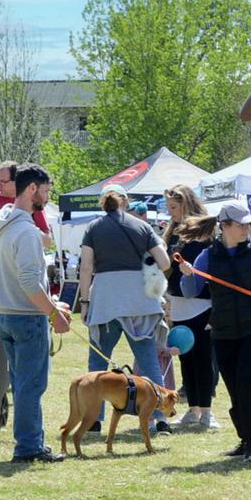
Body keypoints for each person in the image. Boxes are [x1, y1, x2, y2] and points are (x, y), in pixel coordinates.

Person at [178, 201, 251, 462]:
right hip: (224, 332)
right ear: (225, 226)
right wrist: (186, 274)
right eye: (241, 225)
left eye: (249, 224)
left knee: (247, 385)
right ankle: (245, 440)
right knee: (234, 389)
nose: (247, 229)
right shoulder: (206, 257)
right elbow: (190, 291)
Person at [0, 163, 70, 463]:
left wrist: (51, 304)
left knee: (23, 384)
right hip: (26, 318)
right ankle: (28, 446)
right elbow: (28, 282)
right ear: (32, 189)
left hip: (6, 315)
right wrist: (53, 313)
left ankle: (30, 442)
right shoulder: (26, 232)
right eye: (46, 191)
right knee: (31, 386)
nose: (47, 198)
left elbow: (27, 281)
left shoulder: (3, 220)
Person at [80, 185, 173, 434]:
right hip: (139, 300)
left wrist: (84, 302)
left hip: (106, 298)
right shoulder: (142, 226)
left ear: (103, 203)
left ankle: (93, 420)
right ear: (126, 201)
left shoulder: (93, 228)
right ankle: (161, 417)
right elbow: (164, 262)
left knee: (98, 362)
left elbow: (86, 268)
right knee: (149, 360)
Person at [162, 184, 220, 430]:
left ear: (185, 204)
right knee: (185, 356)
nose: (171, 213)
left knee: (203, 358)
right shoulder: (173, 231)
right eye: (169, 208)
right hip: (178, 303)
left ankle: (207, 411)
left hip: (201, 303)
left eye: (174, 207)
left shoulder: (204, 231)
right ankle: (193, 409)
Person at [0, 160, 52, 260]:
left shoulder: (32, 202)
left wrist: (25, 229)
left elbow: (48, 241)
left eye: (3, 182)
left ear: (16, 181)